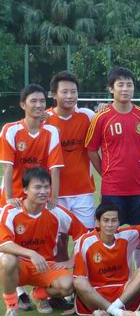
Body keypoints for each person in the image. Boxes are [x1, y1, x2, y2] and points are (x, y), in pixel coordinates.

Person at [0, 168, 87, 316]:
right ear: (25, 190)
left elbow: (83, 236)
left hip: (46, 265)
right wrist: (31, 253)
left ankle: (39, 295)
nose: (43, 191)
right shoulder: (11, 211)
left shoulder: (56, 212)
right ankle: (11, 306)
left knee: (68, 286)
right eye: (37, 187)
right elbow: (3, 243)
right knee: (7, 260)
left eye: (47, 187)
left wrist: (72, 260)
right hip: (20, 265)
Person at [85, 67, 140, 225]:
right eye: (120, 85)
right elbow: (91, 149)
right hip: (112, 190)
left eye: (129, 85)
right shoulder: (101, 117)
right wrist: (105, 173)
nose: (125, 89)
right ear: (111, 89)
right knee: (111, 233)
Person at [72, 203, 140, 316]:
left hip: (123, 293)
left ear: (119, 222)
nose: (110, 225)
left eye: (114, 220)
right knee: (79, 281)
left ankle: (109, 312)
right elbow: (78, 278)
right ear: (97, 222)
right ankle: (120, 314)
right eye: (106, 220)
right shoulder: (85, 241)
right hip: (96, 295)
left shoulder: (127, 235)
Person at [45, 71, 96, 229]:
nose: (70, 96)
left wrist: (104, 109)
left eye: (73, 92)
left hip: (83, 192)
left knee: (87, 237)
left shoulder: (88, 116)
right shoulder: (44, 120)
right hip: (54, 193)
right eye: (64, 92)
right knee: (58, 239)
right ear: (54, 94)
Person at [0, 84, 63, 208]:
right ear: (23, 105)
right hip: (14, 197)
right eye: (33, 101)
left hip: (39, 198)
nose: (38, 105)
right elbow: (7, 166)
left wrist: (54, 197)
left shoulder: (52, 132)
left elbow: (55, 168)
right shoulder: (10, 130)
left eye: (42, 101)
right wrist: (10, 198)